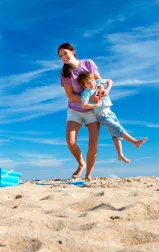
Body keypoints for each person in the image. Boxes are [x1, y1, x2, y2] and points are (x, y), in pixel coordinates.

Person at [78, 72, 147, 163]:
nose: (92, 84)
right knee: (117, 128)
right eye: (88, 83)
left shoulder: (98, 82)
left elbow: (109, 81)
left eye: (92, 81)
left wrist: (107, 90)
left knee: (116, 136)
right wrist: (95, 105)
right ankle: (135, 142)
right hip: (102, 116)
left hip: (110, 113)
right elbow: (84, 105)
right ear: (84, 85)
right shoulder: (86, 92)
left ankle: (120, 155)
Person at [58, 43, 103, 181]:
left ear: (73, 51)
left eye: (65, 53)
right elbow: (71, 96)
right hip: (74, 110)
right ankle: (81, 164)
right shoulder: (65, 74)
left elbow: (99, 81)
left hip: (92, 110)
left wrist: (101, 92)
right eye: (60, 56)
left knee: (93, 143)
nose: (64, 57)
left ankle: (88, 174)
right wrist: (88, 97)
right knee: (70, 141)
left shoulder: (88, 63)